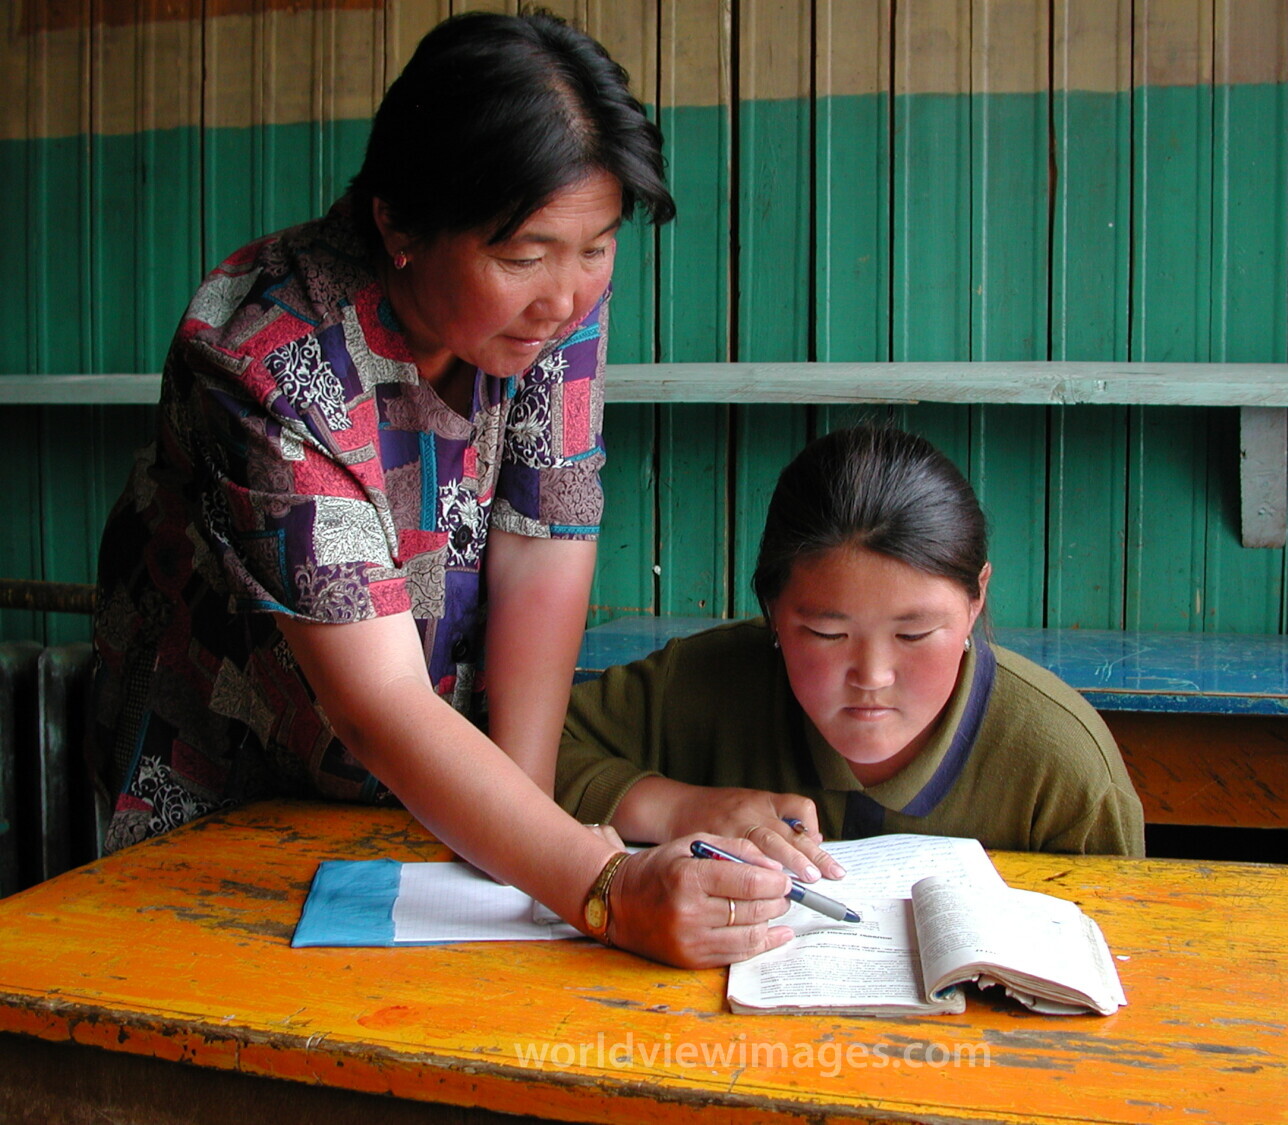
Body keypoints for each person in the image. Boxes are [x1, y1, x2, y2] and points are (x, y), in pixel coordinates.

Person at [90, 10, 796, 969]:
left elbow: (546, 535)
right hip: (228, 786)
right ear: (399, 222)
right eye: (523, 256)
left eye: (599, 246)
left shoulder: (550, 301)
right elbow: (376, 704)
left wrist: (530, 839)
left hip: (433, 792)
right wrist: (605, 888)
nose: (569, 296)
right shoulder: (265, 360)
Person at [556, 424, 1146, 878]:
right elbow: (515, 755)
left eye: (914, 635)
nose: (873, 675)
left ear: (975, 600)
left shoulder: (1064, 770)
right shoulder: (701, 684)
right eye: (827, 635)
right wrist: (679, 809)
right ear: (772, 611)